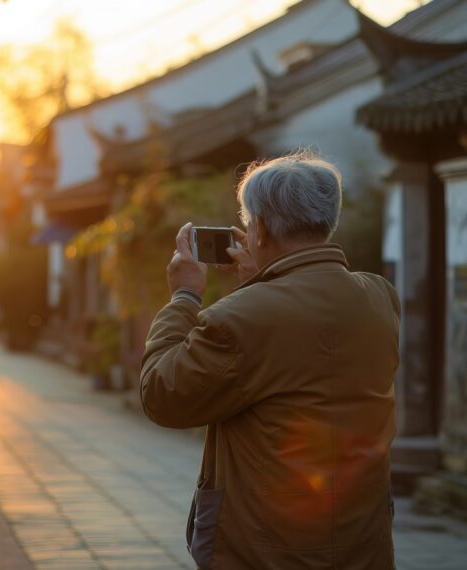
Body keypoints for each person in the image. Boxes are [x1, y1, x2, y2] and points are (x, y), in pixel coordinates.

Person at [140, 151, 400, 569]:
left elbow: (161, 395)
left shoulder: (240, 319)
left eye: (248, 224)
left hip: (268, 548)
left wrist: (184, 297)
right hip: (362, 541)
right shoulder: (379, 297)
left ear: (258, 229)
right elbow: (300, 345)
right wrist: (259, 283)